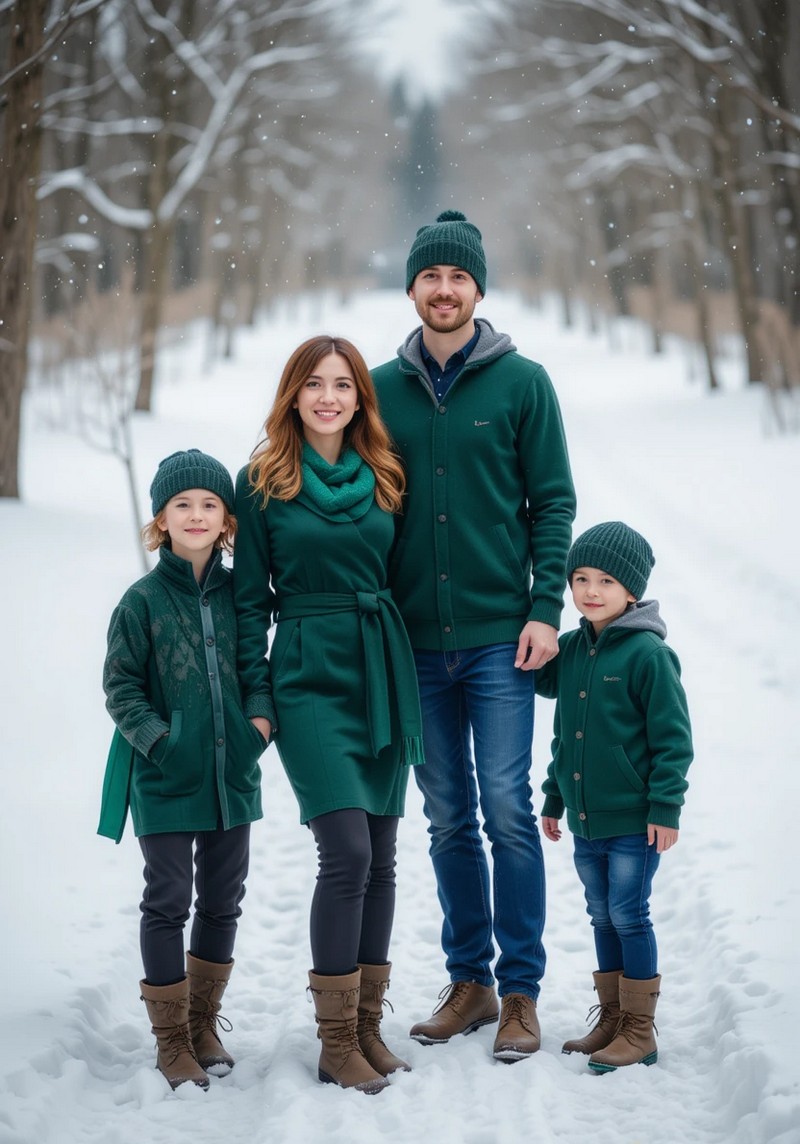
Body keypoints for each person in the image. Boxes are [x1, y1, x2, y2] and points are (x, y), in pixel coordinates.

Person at [370, 209, 576, 1061]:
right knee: (447, 816)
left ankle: (522, 989)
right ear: (413, 287)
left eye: (459, 277)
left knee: (507, 811)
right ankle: (471, 982)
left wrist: (544, 606)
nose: (444, 289)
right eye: (431, 276)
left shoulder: (523, 383)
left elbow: (553, 502)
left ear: (478, 289)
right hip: (413, 641)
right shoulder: (378, 389)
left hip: (500, 637)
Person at [233, 335, 424, 1095]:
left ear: (359, 398)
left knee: (382, 854)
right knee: (345, 849)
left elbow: (405, 574)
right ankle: (334, 1040)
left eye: (343, 384)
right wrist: (258, 697)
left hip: (380, 664)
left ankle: (367, 1029)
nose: (328, 397)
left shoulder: (386, 476)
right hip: (309, 674)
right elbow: (250, 605)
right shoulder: (265, 482)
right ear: (293, 394)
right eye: (314, 384)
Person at [99, 449, 267, 1091]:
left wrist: (258, 730)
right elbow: (120, 687)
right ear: (160, 519)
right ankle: (170, 1041)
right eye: (181, 505)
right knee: (168, 899)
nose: (195, 515)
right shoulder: (140, 601)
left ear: (227, 519)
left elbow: (258, 670)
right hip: (165, 778)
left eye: (209, 504)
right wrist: (161, 743)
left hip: (234, 778)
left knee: (223, 900)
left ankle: (202, 1024)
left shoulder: (241, 594)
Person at [537, 521, 693, 1072]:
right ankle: (611, 1017)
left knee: (629, 913)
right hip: (585, 820)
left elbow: (673, 739)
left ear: (632, 590)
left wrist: (665, 807)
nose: (590, 591)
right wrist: (555, 797)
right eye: (579, 578)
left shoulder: (649, 655)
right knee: (601, 915)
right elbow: (564, 733)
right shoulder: (576, 648)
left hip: (633, 821)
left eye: (605, 580)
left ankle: (640, 1030)